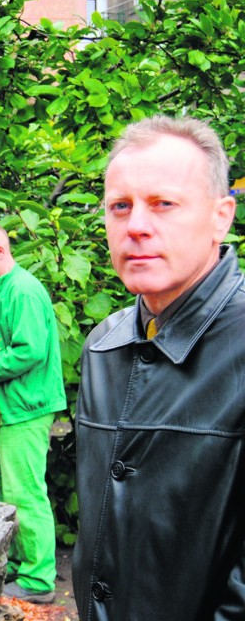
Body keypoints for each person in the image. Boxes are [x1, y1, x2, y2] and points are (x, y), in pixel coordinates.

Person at [72, 115, 244, 620]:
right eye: (119, 206)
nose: (136, 226)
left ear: (221, 216)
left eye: (164, 204)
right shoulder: (103, 347)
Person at [0, 222, 67, 604]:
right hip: (9, 408)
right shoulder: (0, 288)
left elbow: (29, 350)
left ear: (1, 251)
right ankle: (17, 569)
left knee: (25, 495)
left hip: (25, 409)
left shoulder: (21, 289)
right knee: (8, 494)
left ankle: (39, 580)